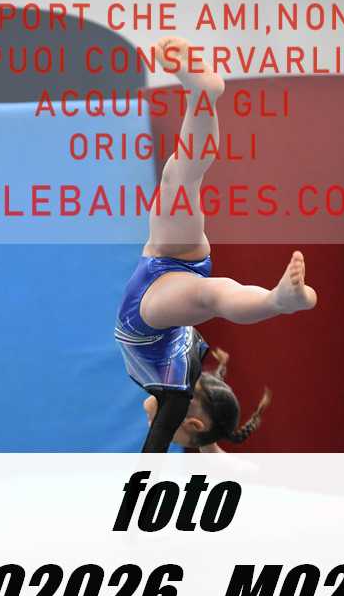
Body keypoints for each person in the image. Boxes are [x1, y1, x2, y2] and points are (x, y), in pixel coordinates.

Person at [115, 36, 317, 453]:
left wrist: (214, 451)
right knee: (212, 295)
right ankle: (276, 301)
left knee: (180, 178)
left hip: (164, 262)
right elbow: (151, 457)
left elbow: (201, 426)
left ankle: (202, 97)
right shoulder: (174, 399)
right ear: (188, 423)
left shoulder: (189, 378)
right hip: (150, 314)